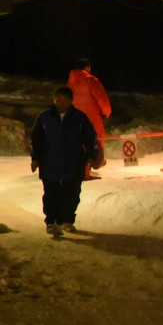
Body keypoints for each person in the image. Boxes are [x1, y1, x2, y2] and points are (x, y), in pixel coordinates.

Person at [30, 85, 104, 237]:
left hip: (73, 163)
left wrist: (92, 156)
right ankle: (51, 222)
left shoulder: (80, 118)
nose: (61, 104)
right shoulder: (45, 117)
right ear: (54, 99)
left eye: (65, 101)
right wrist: (35, 158)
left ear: (71, 101)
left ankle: (67, 220)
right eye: (58, 101)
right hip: (50, 163)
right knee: (51, 193)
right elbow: (36, 139)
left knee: (72, 193)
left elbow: (91, 138)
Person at [67, 58, 111, 179]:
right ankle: (90, 168)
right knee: (94, 144)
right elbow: (102, 100)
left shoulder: (69, 84)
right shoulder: (91, 80)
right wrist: (106, 113)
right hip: (92, 121)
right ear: (87, 68)